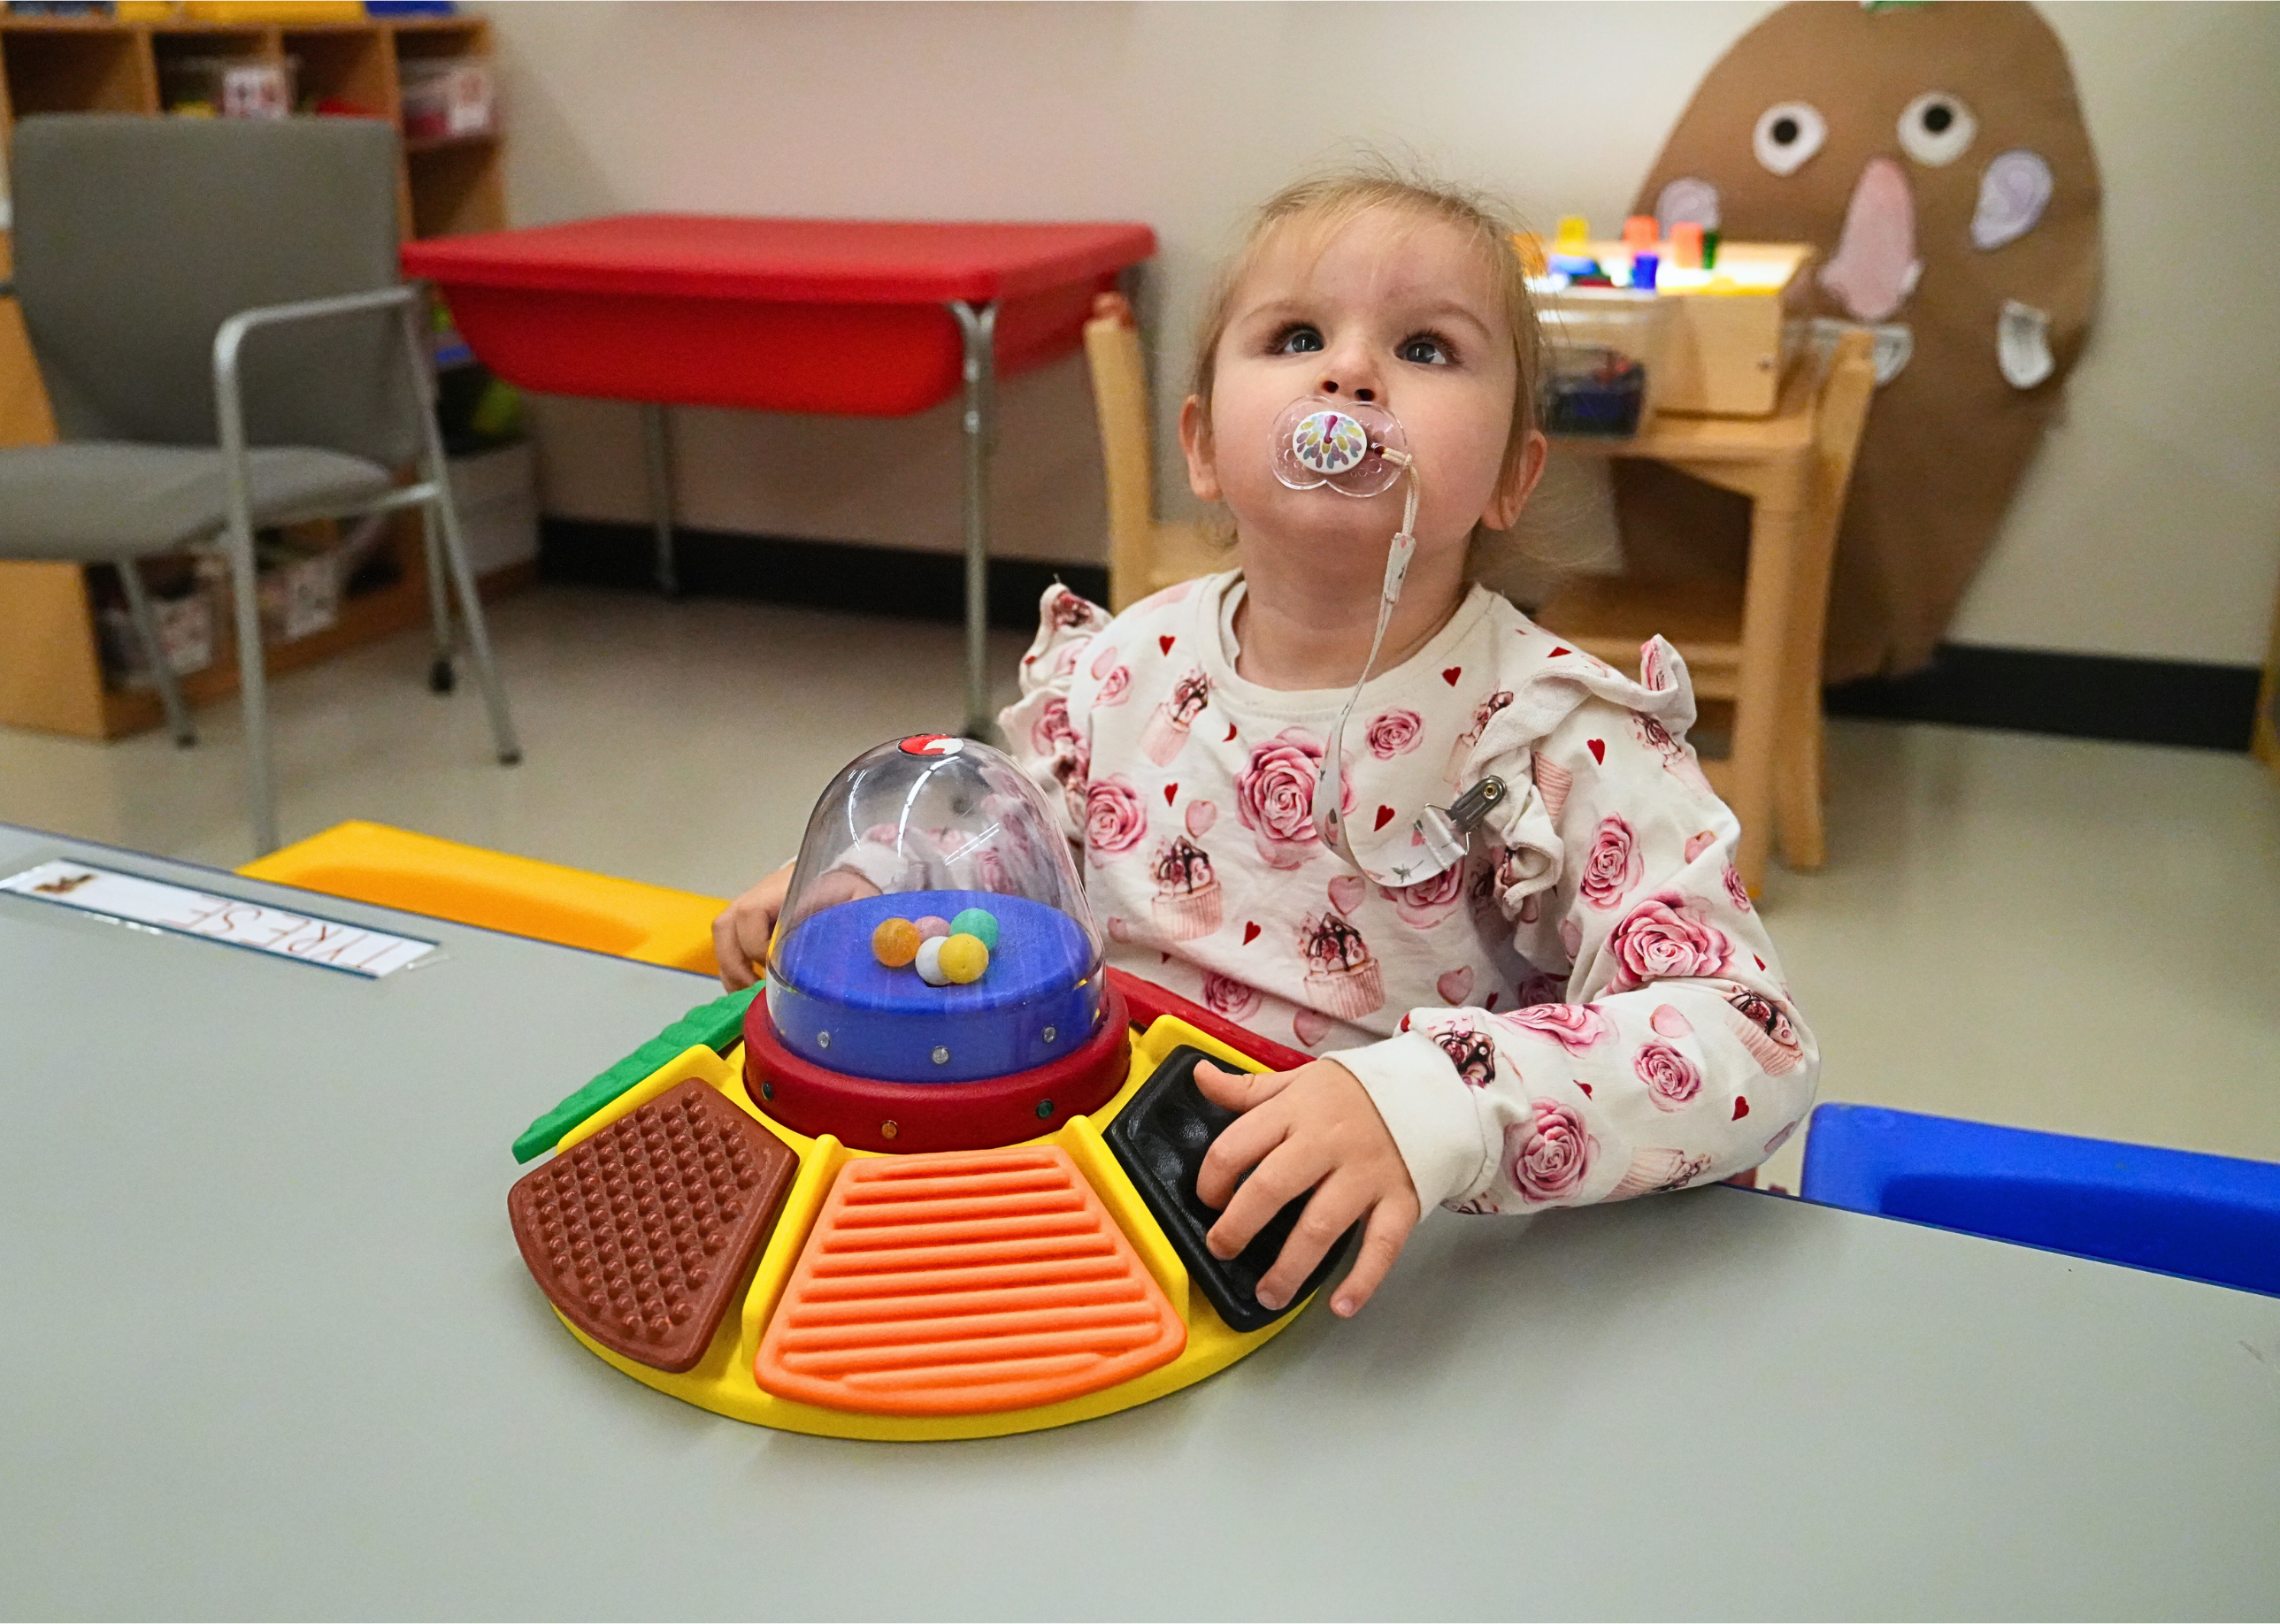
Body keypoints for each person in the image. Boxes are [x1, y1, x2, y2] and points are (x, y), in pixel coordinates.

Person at [715, 165, 1816, 1321]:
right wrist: (881, 884)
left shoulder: (1557, 738)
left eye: (1427, 348)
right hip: (1090, 1207)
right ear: (1200, 448)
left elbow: (1752, 1036)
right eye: (1298, 334)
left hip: (1384, 1270)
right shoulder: (1117, 669)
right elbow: (1004, 852)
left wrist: (1433, 1107)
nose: (1350, 373)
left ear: (1511, 475)